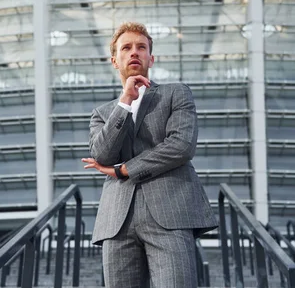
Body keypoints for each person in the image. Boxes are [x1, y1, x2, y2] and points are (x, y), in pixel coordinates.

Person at [81, 22, 218, 288]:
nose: (134, 52)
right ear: (114, 60)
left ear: (150, 58)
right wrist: (125, 102)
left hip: (171, 212)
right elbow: (102, 154)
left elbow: (181, 145)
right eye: (127, 48)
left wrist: (125, 169)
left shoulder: (175, 93)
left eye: (141, 47)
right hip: (117, 222)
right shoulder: (103, 113)